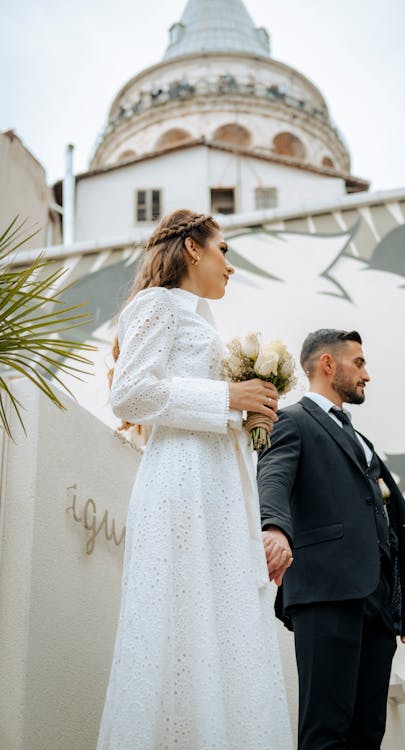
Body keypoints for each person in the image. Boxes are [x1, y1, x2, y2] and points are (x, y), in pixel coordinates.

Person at [97, 209, 293, 750]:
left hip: (222, 490)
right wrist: (230, 397)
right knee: (179, 615)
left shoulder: (202, 319)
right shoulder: (156, 304)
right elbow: (131, 394)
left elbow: (192, 399)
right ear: (192, 249)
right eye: (223, 250)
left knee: (223, 624)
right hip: (180, 484)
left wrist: (247, 414)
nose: (230, 264)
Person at [257, 329, 405, 750]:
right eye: (360, 363)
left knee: (368, 733)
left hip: (378, 602)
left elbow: (382, 520)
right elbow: (273, 475)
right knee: (326, 729)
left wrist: (402, 604)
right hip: (326, 592)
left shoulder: (360, 440)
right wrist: (274, 526)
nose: (368, 374)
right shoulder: (291, 420)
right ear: (328, 364)